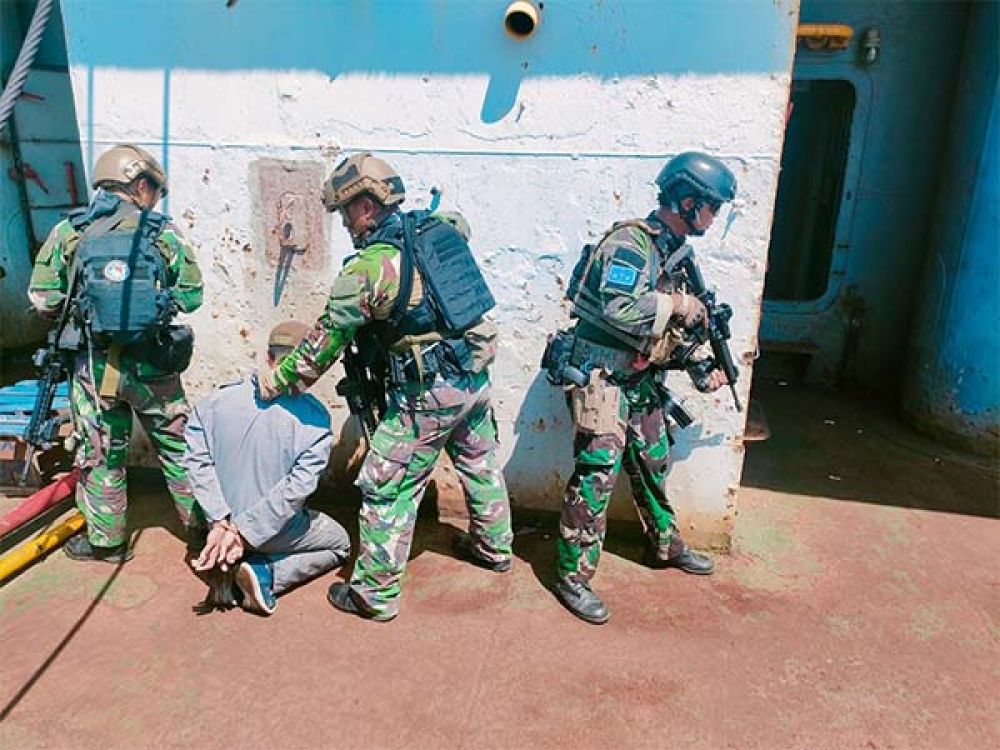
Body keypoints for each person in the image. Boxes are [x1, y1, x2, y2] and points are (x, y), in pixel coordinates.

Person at [258, 152, 513, 622]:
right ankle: (494, 548)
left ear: (367, 206)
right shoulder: (436, 231)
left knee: (386, 486)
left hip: (427, 395)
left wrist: (279, 380)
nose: (345, 223)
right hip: (473, 377)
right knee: (479, 462)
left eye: (346, 212)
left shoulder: (368, 269)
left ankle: (373, 594)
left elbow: (323, 344)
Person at [550, 151, 738, 624]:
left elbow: (668, 330)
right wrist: (680, 305)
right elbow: (620, 308)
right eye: (712, 207)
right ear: (687, 201)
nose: (714, 217)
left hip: (640, 379)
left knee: (653, 462)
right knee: (596, 477)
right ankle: (572, 575)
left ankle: (665, 545)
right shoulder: (631, 244)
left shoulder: (674, 253)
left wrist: (700, 366)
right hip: (602, 379)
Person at [27, 144, 204, 563]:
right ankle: (203, 534)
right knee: (178, 448)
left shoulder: (70, 231)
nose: (154, 199)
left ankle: (107, 543)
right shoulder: (163, 233)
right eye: (153, 190)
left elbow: (42, 298)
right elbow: (192, 296)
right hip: (153, 364)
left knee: (102, 452)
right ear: (139, 184)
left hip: (95, 366)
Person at [183, 321, 351, 616]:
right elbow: (294, 492)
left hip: (219, 527)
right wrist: (244, 533)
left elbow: (197, 463)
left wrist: (220, 521)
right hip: (267, 533)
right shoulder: (315, 418)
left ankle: (225, 560)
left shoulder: (216, 401)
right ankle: (265, 574)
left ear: (268, 356)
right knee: (340, 543)